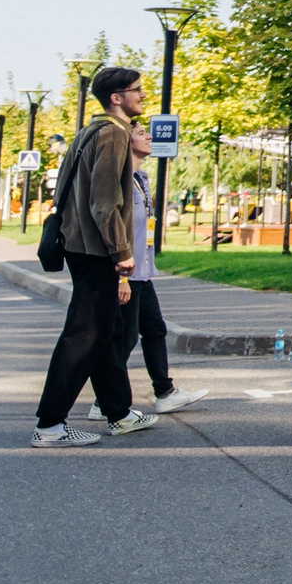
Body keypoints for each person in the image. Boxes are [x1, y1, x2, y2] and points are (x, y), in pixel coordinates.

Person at [32, 68, 159, 448]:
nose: (142, 95)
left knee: (105, 331)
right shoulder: (113, 135)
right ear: (117, 98)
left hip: (78, 243)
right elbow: (105, 202)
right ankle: (50, 425)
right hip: (95, 248)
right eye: (136, 91)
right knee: (84, 334)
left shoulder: (88, 131)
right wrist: (122, 253)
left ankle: (118, 412)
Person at [80, 122, 209, 421]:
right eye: (141, 134)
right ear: (126, 142)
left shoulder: (140, 178)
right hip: (126, 272)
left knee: (154, 330)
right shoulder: (120, 180)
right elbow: (116, 227)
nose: (150, 136)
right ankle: (103, 402)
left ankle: (164, 392)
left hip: (143, 271)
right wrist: (121, 276)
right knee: (123, 341)